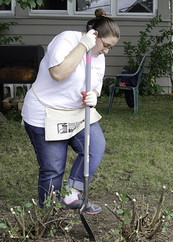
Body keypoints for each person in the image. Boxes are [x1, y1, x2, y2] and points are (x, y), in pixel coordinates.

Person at [21, 9, 120, 214]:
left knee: (95, 147)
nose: (106, 51)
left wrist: (93, 96)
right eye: (106, 45)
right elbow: (58, 73)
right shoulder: (67, 39)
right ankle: (49, 213)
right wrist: (84, 46)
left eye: (110, 47)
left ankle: (71, 195)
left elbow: (95, 85)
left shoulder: (99, 56)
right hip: (46, 112)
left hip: (76, 113)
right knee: (53, 168)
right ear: (94, 35)